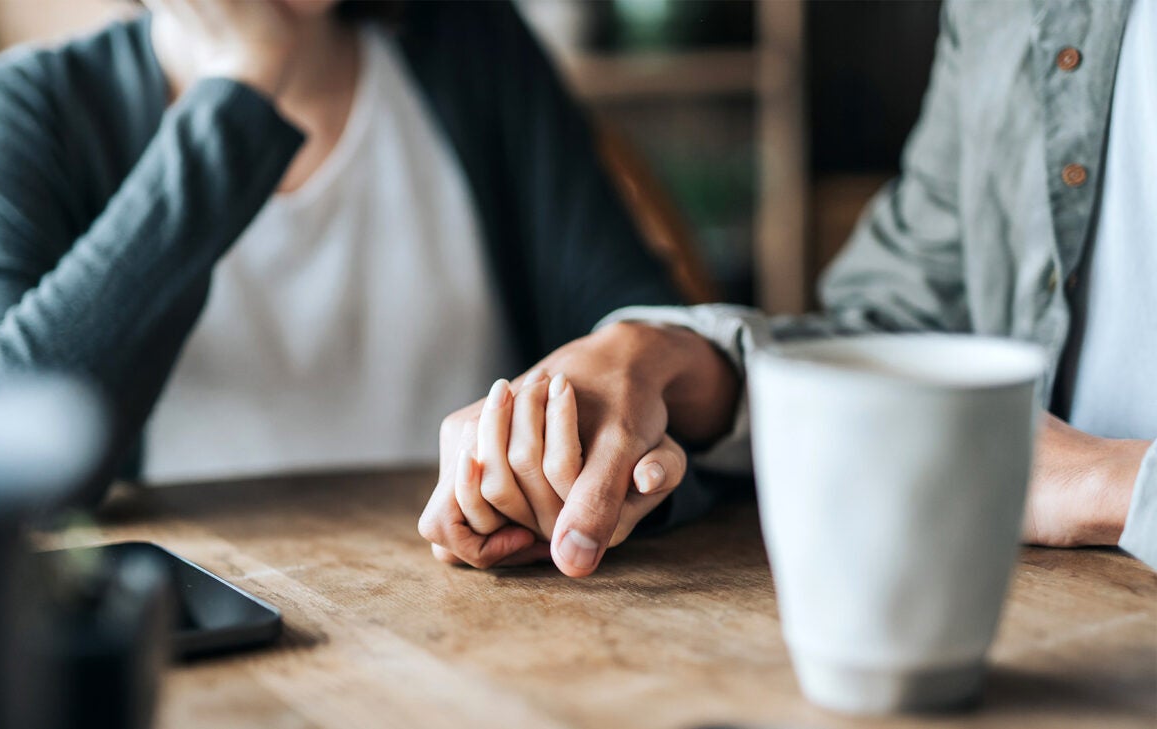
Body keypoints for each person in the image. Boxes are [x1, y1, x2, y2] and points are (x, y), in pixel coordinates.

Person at [421, 0, 1157, 574]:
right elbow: (896, 331)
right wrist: (696, 375)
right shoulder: (1002, 12)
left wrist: (1115, 483)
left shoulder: (466, 44)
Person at [0, 0, 684, 493]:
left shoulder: (471, 47)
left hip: (486, 600)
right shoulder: (12, 112)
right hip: (195, 640)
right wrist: (241, 89)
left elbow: (647, 332)